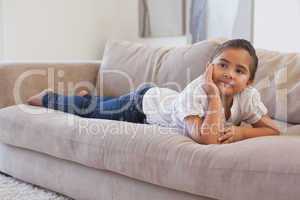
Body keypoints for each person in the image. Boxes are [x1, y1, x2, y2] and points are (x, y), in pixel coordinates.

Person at [27, 39, 280, 145]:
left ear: (249, 81)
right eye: (222, 65)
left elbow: (272, 129)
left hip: (157, 97)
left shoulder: (247, 97)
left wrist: (241, 131)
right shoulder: (198, 92)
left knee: (103, 106)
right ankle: (50, 97)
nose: (228, 74)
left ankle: (88, 99)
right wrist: (213, 97)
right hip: (141, 107)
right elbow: (206, 139)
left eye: (239, 71)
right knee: (92, 112)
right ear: (208, 68)